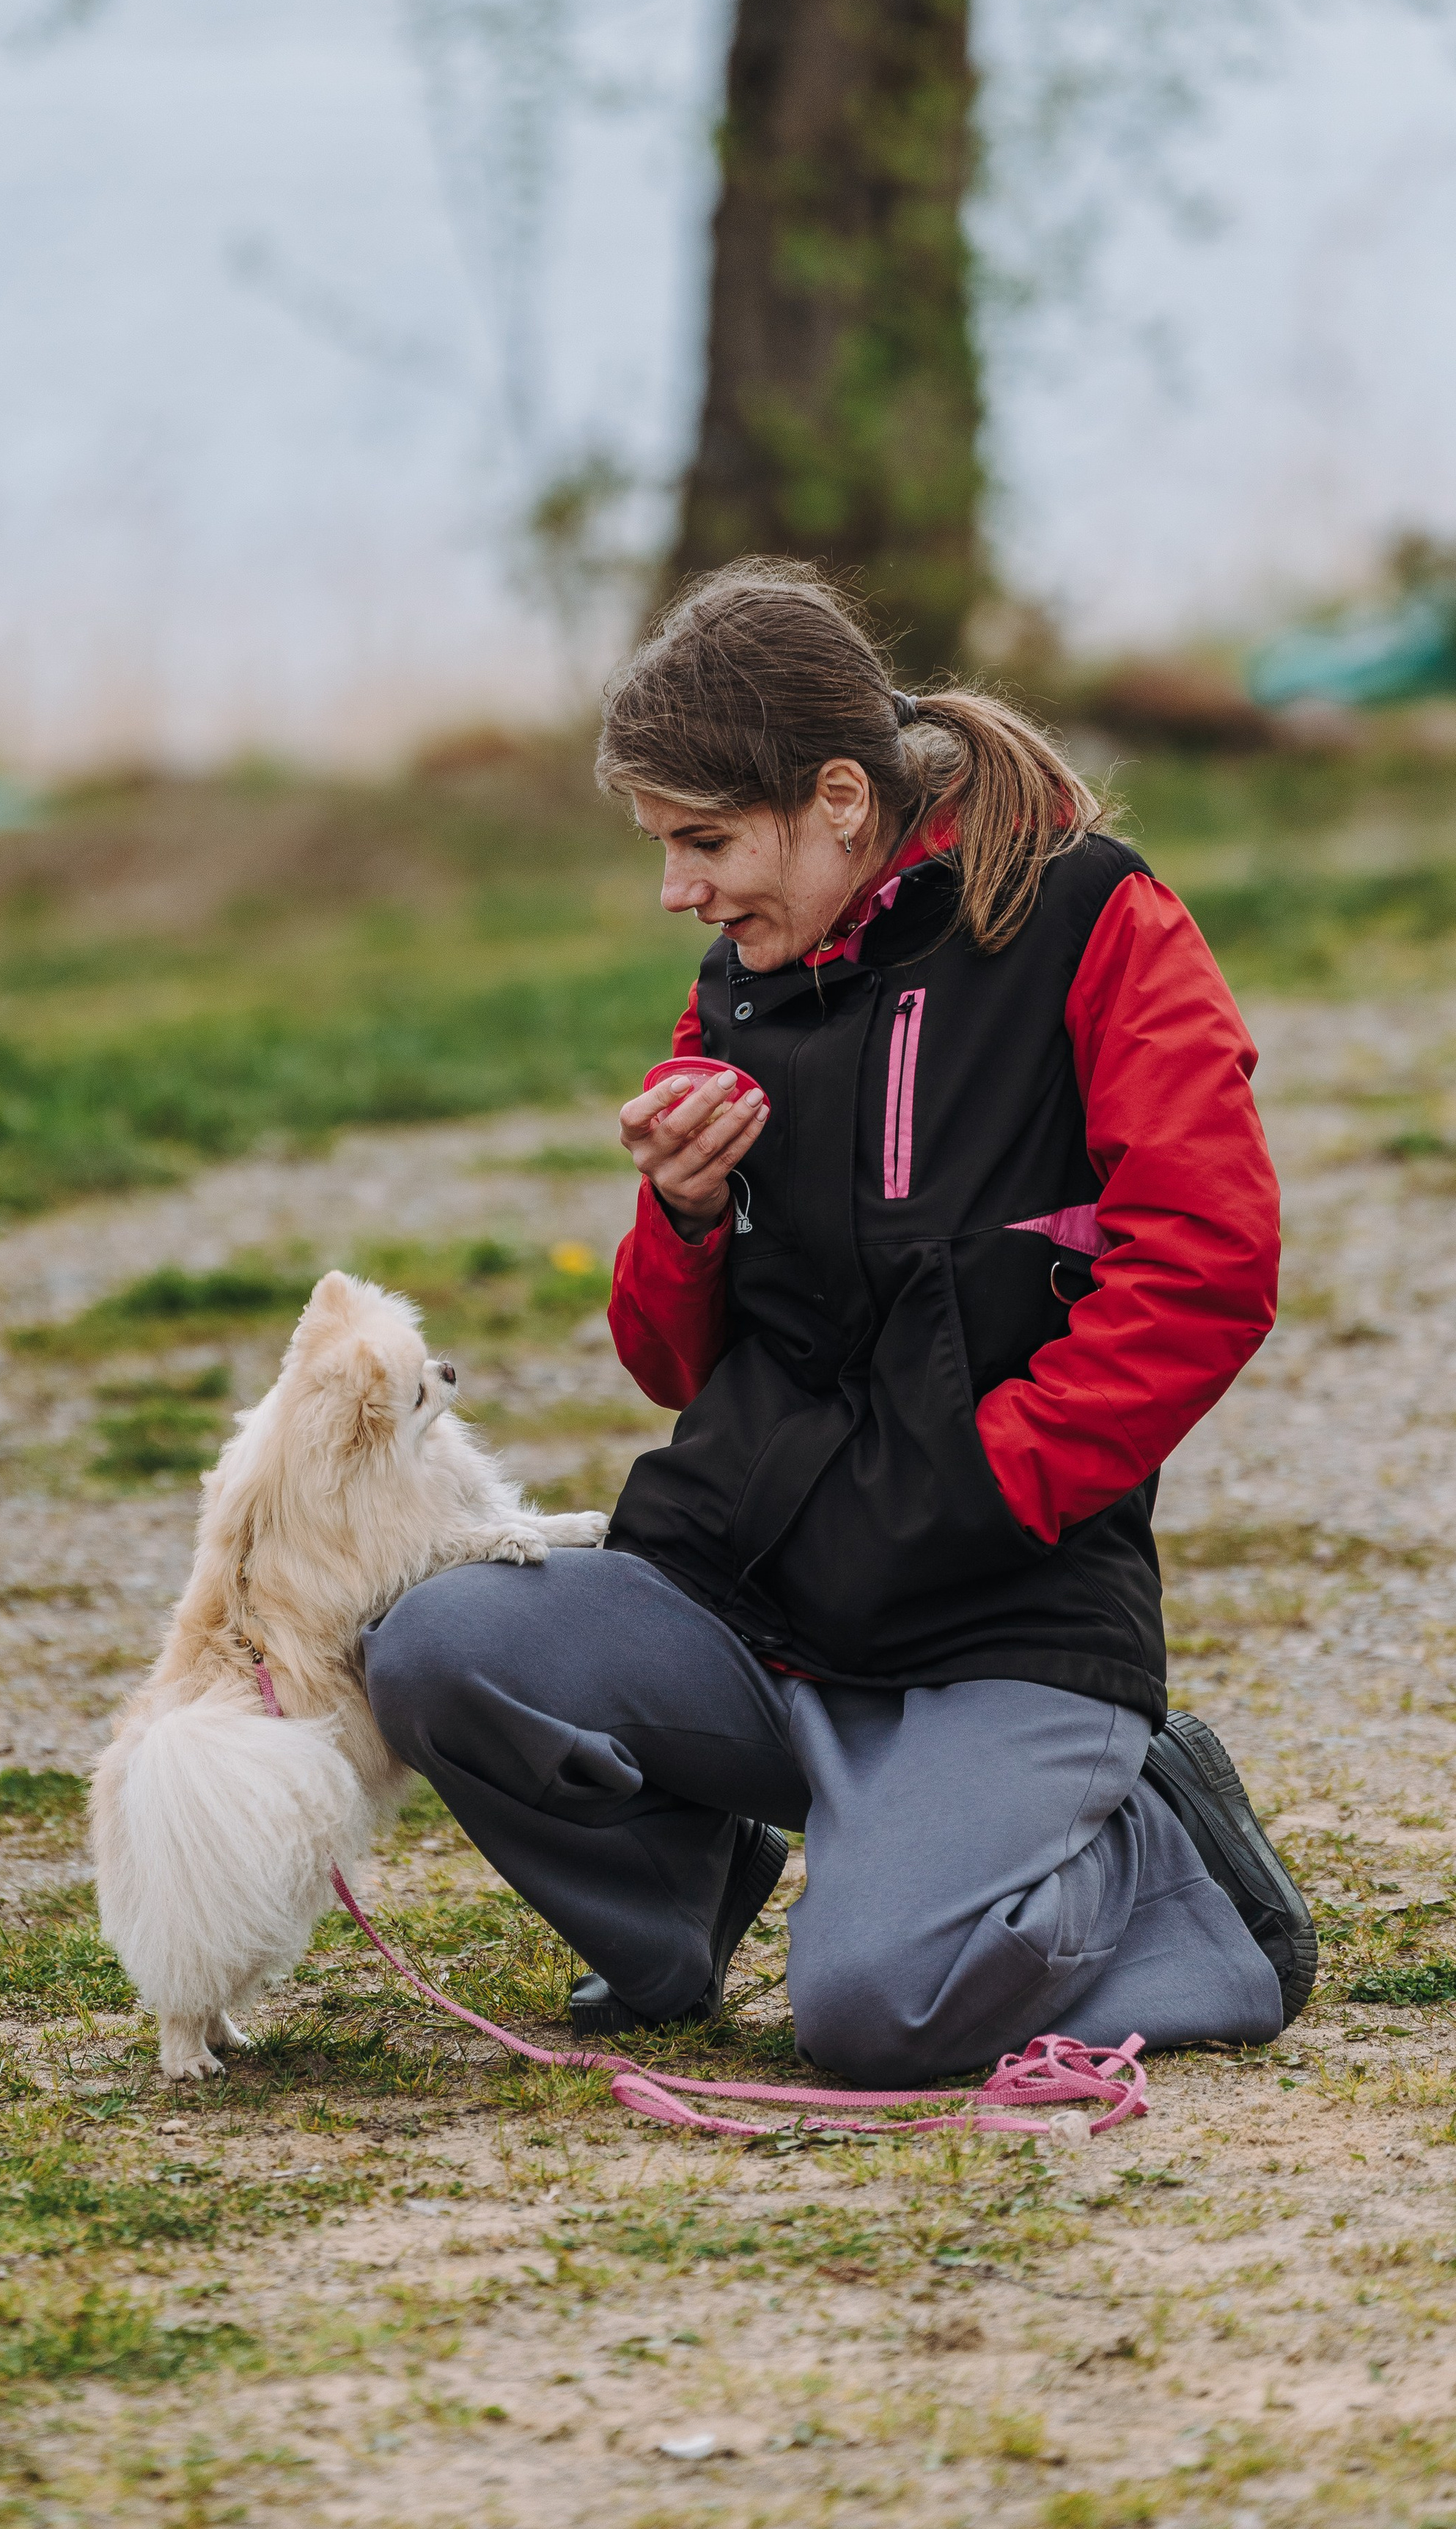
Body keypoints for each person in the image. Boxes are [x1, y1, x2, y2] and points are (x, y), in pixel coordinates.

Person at [364, 559, 1313, 2080]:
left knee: (875, 2009)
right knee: (433, 1644)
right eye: (664, 845)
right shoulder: (733, 985)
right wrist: (675, 1222)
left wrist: (998, 1476)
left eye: (702, 840)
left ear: (835, 801)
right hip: (748, 1597)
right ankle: (672, 1918)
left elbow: (1208, 1261)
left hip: (999, 1618)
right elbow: (665, 1362)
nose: (678, 888)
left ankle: (1165, 1868)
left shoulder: (1095, 921)